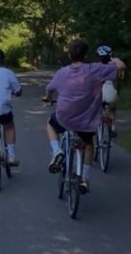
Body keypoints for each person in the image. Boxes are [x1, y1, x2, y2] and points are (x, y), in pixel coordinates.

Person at [44, 39, 118, 193]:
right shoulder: (95, 69)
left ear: (69, 55)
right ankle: (84, 179)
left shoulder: (62, 72)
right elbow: (120, 67)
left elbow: (49, 89)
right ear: (85, 55)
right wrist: (113, 59)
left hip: (65, 118)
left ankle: (57, 151)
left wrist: (48, 97)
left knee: (51, 124)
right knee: (89, 144)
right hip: (87, 120)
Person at [96, 44, 126, 136]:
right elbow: (123, 66)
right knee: (112, 108)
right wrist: (114, 59)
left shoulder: (96, 66)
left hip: (98, 94)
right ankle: (111, 127)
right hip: (111, 93)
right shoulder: (114, 67)